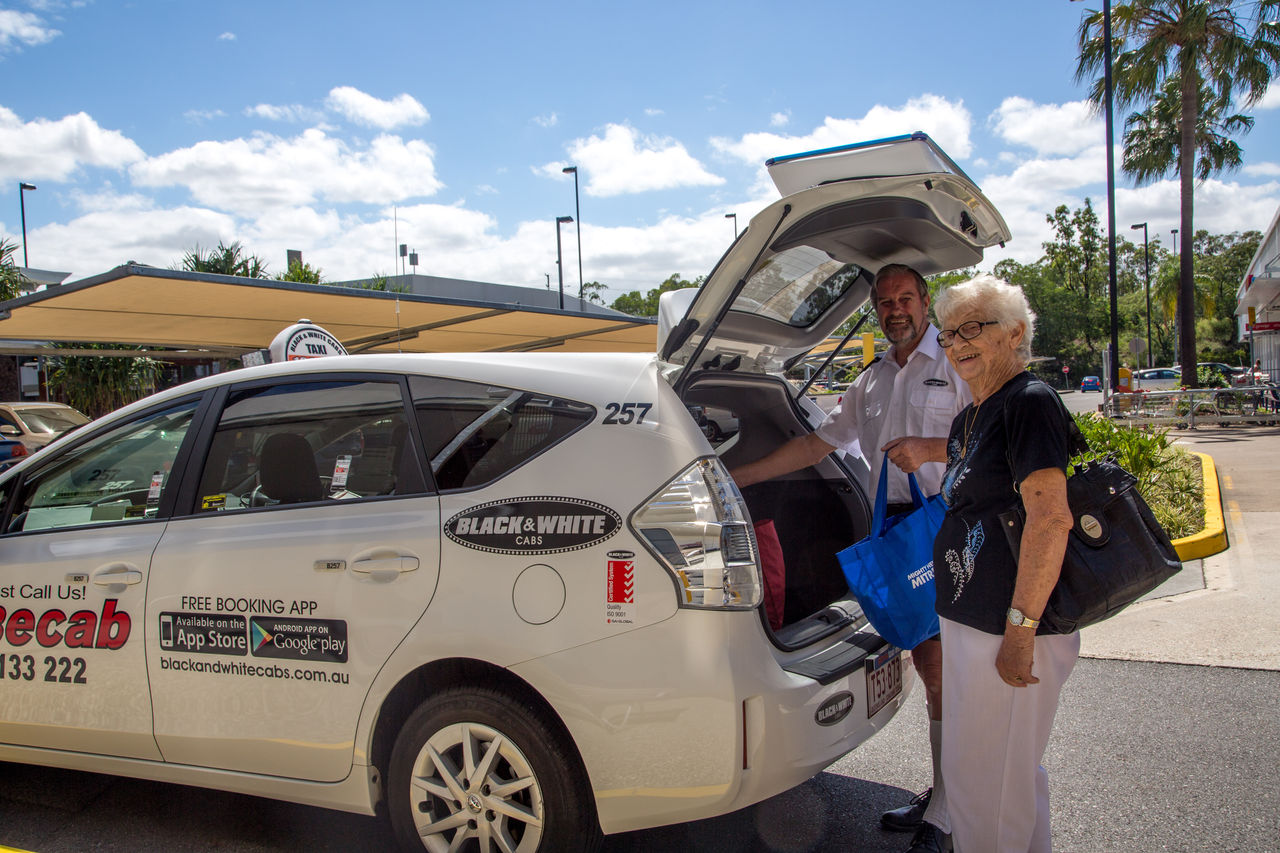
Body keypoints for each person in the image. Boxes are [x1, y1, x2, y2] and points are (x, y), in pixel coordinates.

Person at [731, 263, 968, 853]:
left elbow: (992, 436)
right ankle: (946, 794)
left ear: (925, 300)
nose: (896, 310)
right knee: (929, 661)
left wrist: (930, 449)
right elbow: (817, 443)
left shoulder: (958, 362)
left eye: (906, 298)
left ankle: (951, 810)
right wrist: (735, 476)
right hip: (898, 532)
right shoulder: (872, 380)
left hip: (953, 525)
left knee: (945, 669)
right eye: (885, 301)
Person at [931, 274, 1079, 853]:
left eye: (974, 327)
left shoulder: (1029, 403)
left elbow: (1050, 520)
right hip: (973, 619)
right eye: (948, 333)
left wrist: (1021, 630)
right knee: (996, 777)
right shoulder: (971, 417)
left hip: (1011, 623)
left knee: (987, 782)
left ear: (1015, 332)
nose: (958, 342)